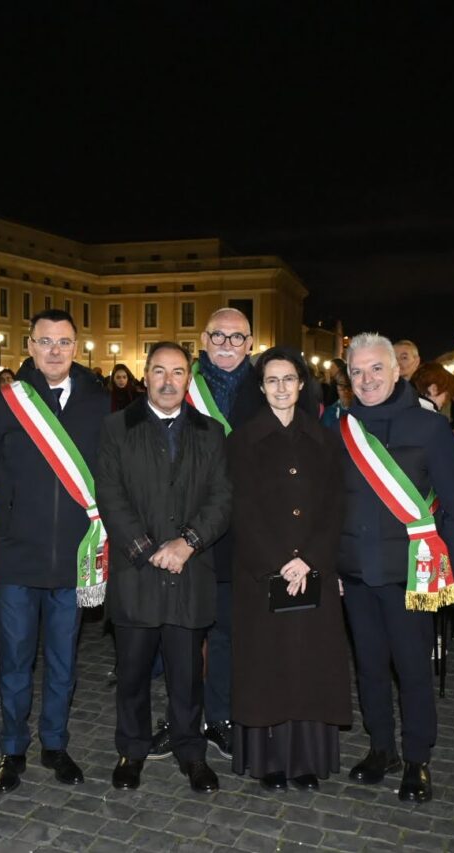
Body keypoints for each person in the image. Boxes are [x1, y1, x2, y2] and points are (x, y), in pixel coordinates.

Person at [0, 309, 109, 794]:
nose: (54, 351)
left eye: (64, 342)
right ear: (28, 345)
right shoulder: (8, 400)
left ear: (76, 347)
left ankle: (54, 744)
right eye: (45, 341)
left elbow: (109, 473)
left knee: (64, 662)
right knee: (14, 660)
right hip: (17, 556)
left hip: (74, 557)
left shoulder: (97, 400)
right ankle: (12, 749)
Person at [337, 332, 454, 803]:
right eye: (357, 371)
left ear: (397, 372)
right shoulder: (342, 427)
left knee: (413, 668)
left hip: (413, 571)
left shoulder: (429, 428)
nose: (367, 378)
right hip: (355, 569)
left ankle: (417, 758)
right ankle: (381, 748)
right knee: (369, 665)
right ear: (348, 377)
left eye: (377, 368)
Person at [95, 342, 232, 793]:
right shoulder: (117, 427)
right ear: (145, 375)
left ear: (188, 379)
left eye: (177, 372)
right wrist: (146, 548)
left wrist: (188, 542)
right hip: (137, 574)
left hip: (190, 572)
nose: (168, 381)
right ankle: (132, 750)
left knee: (187, 675)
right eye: (159, 371)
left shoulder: (211, 433)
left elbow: (222, 498)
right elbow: (110, 495)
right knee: (132, 673)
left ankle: (191, 752)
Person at [227, 347, 350, 791]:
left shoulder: (324, 438)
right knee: (268, 666)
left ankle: (306, 760)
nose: (281, 388)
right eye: (272, 380)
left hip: (312, 571)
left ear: (302, 384)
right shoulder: (241, 440)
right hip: (263, 573)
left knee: (309, 665)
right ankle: (269, 761)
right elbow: (241, 509)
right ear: (261, 389)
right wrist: (280, 562)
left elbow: (335, 506)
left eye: (289, 379)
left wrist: (310, 559)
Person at [182, 307, 268, 760]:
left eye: (237, 338)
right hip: (188, 528)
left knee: (228, 633)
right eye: (219, 335)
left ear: (251, 342)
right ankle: (182, 717)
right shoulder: (182, 385)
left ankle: (220, 717)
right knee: (182, 630)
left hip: (247, 532)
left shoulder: (268, 385)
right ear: (204, 338)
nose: (228, 345)